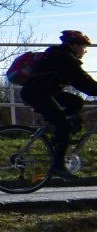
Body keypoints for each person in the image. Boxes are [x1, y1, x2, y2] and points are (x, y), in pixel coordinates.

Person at [18, 30, 97, 170]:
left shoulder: (61, 56)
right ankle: (58, 166)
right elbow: (84, 82)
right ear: (74, 45)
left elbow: (83, 81)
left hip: (44, 92)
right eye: (83, 47)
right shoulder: (65, 59)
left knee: (76, 102)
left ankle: (59, 135)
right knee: (64, 126)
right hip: (37, 94)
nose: (85, 51)